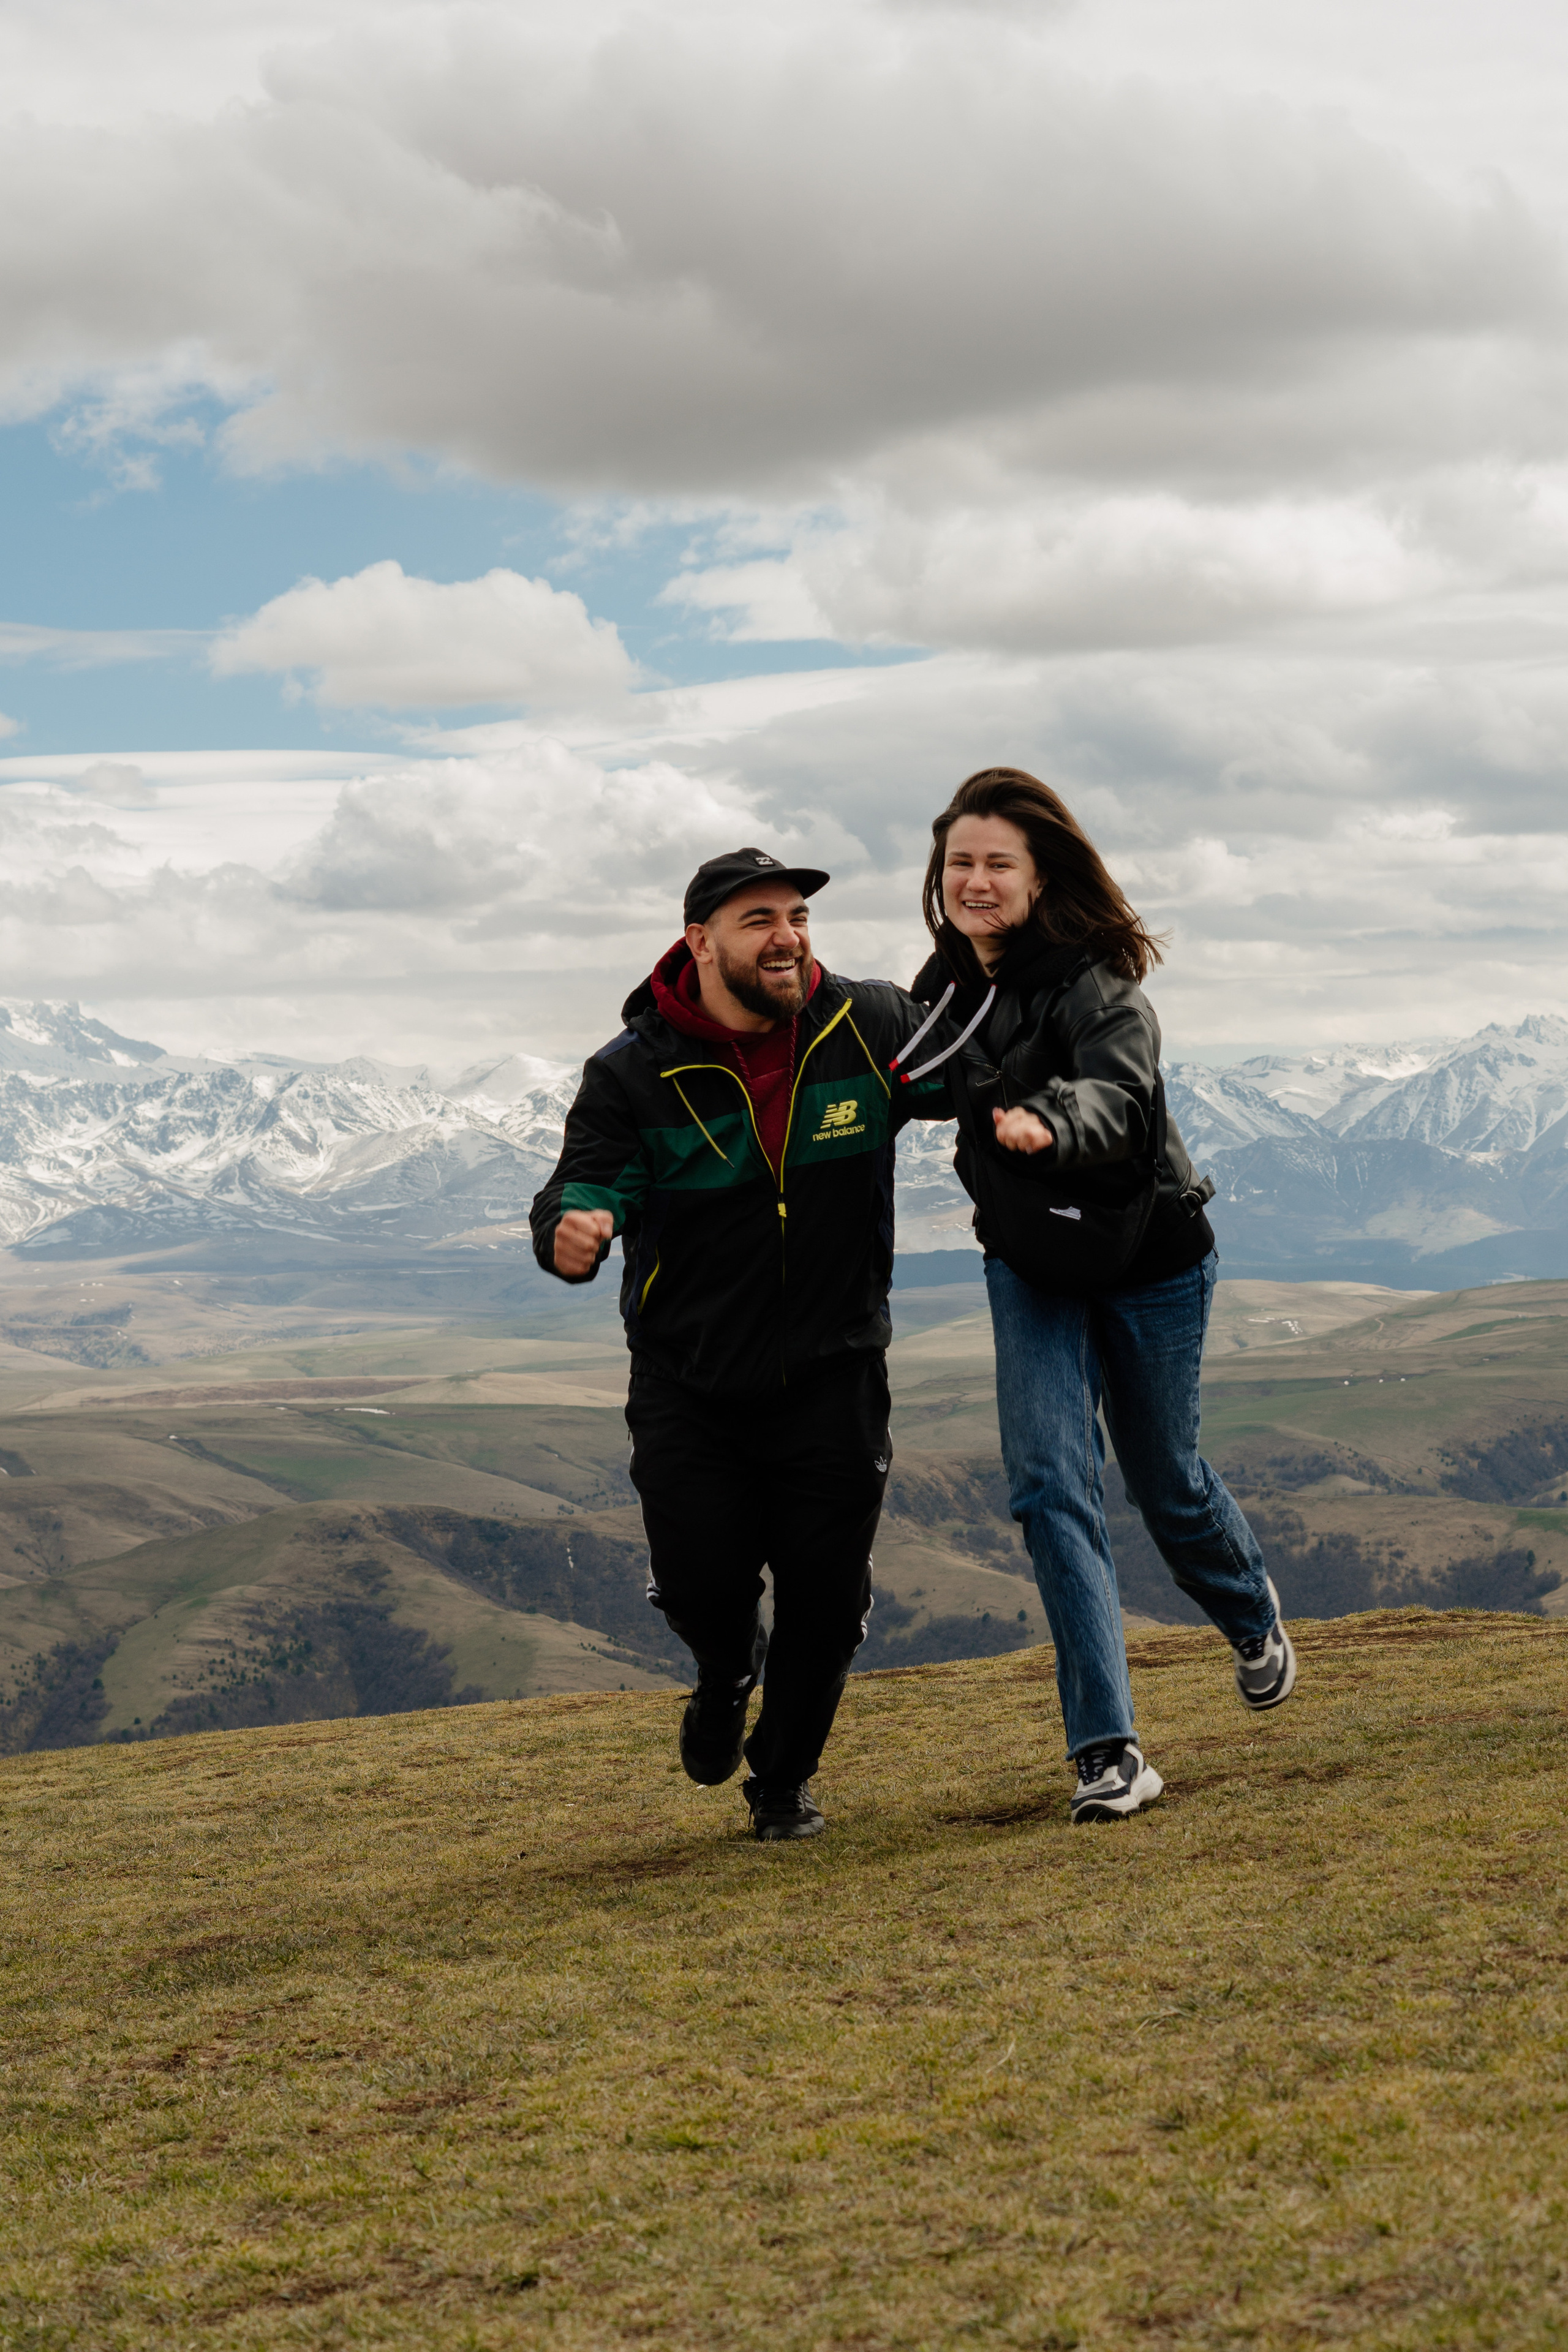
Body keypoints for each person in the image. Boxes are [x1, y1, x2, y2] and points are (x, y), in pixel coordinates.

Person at [530, 848, 954, 1841]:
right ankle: (722, 1673)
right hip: (690, 1383)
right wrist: (574, 1230)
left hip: (836, 1370)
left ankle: (782, 1782)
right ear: (701, 941)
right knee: (702, 1585)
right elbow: (583, 1183)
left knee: (826, 1598)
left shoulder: (869, 1027)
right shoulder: (633, 1073)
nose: (788, 936)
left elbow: (974, 1071)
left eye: (797, 916)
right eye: (760, 918)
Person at [910, 768, 1297, 1824]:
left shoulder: (1100, 988)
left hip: (1149, 1259)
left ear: (1041, 878)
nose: (976, 882)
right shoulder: (943, 994)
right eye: (961, 864)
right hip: (1033, 1265)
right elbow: (888, 1075)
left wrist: (1049, 1122)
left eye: (998, 864)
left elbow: (1117, 1094)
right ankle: (1109, 1753)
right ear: (937, 877)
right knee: (1049, 1487)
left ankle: (1248, 1608)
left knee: (1165, 1483)